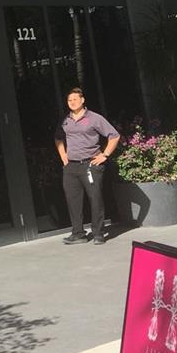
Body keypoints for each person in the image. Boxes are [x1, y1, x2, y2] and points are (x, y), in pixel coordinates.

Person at [54, 87, 120, 245]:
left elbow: (114, 135)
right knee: (73, 201)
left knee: (95, 198)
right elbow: (58, 138)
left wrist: (105, 155)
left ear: (82, 100)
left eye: (75, 99)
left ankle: (98, 233)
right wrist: (63, 156)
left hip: (90, 165)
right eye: (69, 100)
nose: (72, 102)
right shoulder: (66, 120)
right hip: (71, 167)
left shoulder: (94, 118)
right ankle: (78, 234)